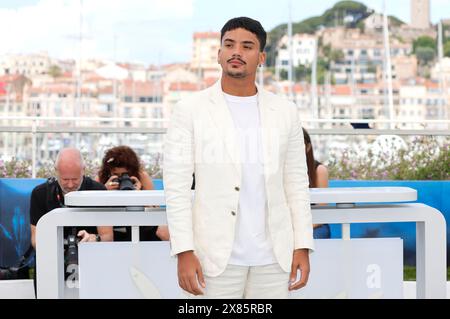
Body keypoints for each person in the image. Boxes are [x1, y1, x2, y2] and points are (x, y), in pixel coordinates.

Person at [164, 17, 313, 299]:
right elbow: (177, 188)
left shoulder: (285, 111)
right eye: (229, 45)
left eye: (247, 46)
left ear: (261, 58)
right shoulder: (190, 109)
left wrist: (302, 245)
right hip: (213, 258)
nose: (236, 52)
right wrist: (184, 250)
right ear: (219, 53)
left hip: (274, 258)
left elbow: (296, 183)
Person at [30, 147, 113, 249]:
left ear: (83, 171)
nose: (70, 185)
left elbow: (107, 237)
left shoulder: (98, 192)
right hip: (52, 254)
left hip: (90, 254)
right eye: (65, 179)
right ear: (56, 171)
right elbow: (36, 239)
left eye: (75, 179)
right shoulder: (40, 194)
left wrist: (94, 238)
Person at [96, 145, 169, 241]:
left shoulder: (141, 177)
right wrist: (104, 191)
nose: (121, 178)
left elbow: (154, 210)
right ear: (109, 171)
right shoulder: (102, 179)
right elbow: (95, 211)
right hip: (112, 226)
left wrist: (139, 196)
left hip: (139, 225)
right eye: (116, 175)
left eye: (125, 175)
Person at [303, 128, 331, 239]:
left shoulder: (319, 170)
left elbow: (322, 211)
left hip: (316, 225)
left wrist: (303, 229)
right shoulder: (283, 171)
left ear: (308, 147)